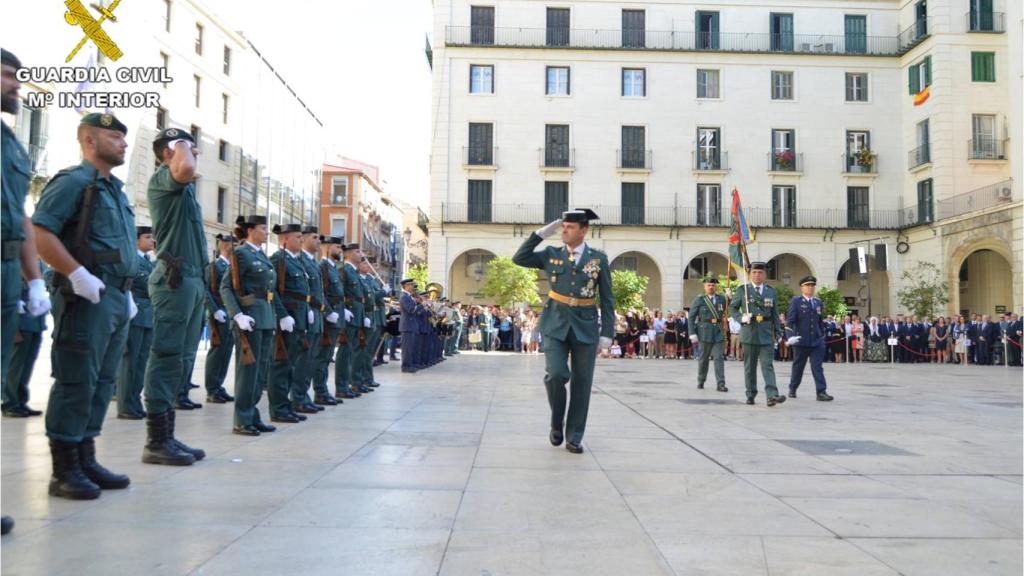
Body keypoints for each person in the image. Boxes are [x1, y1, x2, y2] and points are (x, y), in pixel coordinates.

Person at [32, 112, 136, 497]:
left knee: (103, 380)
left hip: (114, 296)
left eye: (123, 137)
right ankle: (64, 469)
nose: (123, 143)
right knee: (76, 379)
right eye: (114, 137)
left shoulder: (115, 191)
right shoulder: (74, 182)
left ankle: (85, 456)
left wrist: (125, 291)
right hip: (84, 296)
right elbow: (41, 232)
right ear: (88, 141)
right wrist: (76, 273)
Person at [512, 209, 614, 454]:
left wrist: (607, 332)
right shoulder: (551, 254)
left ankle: (574, 436)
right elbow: (519, 258)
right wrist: (540, 235)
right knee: (556, 374)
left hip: (586, 325)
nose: (564, 231)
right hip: (555, 323)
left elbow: (607, 299)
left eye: (570, 227)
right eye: (563, 227)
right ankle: (557, 421)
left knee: (582, 383)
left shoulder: (598, 259)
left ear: (583, 230)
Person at [142, 126, 208, 467]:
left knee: (181, 359)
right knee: (166, 356)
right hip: (174, 281)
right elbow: (184, 168)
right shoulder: (163, 179)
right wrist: (181, 143)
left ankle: (167, 435)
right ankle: (156, 441)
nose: (194, 153)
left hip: (191, 281)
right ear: (169, 152)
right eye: (187, 147)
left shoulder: (184, 191)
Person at [1, 47, 50, 419]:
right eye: (6, 75)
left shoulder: (11, 145)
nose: (16, 85)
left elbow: (21, 217)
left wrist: (34, 282)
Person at [219, 215, 279, 436]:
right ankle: (242, 420)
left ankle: (252, 415)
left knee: (260, 372)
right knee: (248, 371)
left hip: (266, 318)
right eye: (263, 228)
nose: (266, 232)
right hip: (250, 319)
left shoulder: (261, 255)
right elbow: (226, 287)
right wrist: (237, 315)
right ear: (251, 230)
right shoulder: (241, 254)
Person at [269, 223, 311, 422]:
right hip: (287, 319)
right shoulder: (278, 259)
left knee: (290, 365)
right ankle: (278, 409)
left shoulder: (296, 261)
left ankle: (285, 406)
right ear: (285, 239)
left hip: (299, 319)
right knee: (281, 365)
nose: (301, 241)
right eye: (297, 237)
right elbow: (272, 290)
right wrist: (282, 315)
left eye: (302, 237)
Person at [729, 262, 786, 407]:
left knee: (768, 365)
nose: (757, 275)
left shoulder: (770, 291)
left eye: (760, 273)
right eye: (754, 272)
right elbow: (732, 308)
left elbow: (774, 313)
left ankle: (772, 395)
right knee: (750, 367)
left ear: (765, 275)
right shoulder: (743, 290)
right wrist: (741, 317)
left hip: (766, 333)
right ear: (749, 274)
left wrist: (778, 331)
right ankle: (750, 394)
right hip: (749, 331)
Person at [116, 227, 155, 419]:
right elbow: (146, 284)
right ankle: (125, 405)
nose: (152, 240)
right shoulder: (132, 259)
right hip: (136, 313)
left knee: (141, 362)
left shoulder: (148, 261)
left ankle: (134, 400)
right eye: (147, 237)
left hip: (148, 314)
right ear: (136, 240)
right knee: (130, 361)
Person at [3, 261, 48, 418]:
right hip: (20, 324)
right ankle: (9, 403)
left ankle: (20, 401)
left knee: (26, 366)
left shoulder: (37, 261)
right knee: (15, 367)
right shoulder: (11, 263)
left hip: (36, 322)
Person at [784, 276, 833, 401]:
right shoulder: (796, 301)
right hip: (801, 340)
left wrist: (821, 336)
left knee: (817, 367)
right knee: (798, 367)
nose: (810, 288)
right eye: (807, 285)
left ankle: (821, 392)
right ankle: (793, 388)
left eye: (812, 285)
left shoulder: (818, 302)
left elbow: (820, 321)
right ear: (801, 287)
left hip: (816, 341)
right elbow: (790, 321)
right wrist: (790, 337)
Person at [203, 233, 236, 404]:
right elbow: (205, 290)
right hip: (219, 314)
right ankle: (212, 389)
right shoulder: (214, 267)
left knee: (226, 351)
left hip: (230, 314)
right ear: (224, 244)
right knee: (217, 352)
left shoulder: (232, 266)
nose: (236, 246)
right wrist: (215, 310)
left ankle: (219, 386)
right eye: (233, 243)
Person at [314, 236, 347, 404]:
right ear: (327, 247)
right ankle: (320, 392)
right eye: (337, 247)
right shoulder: (322, 267)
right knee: (321, 357)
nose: (340, 250)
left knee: (327, 356)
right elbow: (320, 293)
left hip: (336, 315)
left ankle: (323, 390)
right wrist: (327, 312)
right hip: (328, 319)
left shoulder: (333, 268)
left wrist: (343, 310)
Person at [337, 243, 370, 395]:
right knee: (345, 352)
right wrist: (343, 309)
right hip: (349, 314)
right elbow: (340, 292)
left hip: (357, 315)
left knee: (352, 351)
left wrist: (364, 315)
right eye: (357, 251)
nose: (360, 254)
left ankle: (352, 383)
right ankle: (342, 387)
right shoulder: (344, 270)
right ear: (348, 254)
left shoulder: (354, 272)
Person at [689, 276, 728, 392]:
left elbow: (730, 307)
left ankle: (721, 384)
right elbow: (691, 317)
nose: (711, 287)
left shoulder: (722, 299)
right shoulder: (700, 299)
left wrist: (730, 297)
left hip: (718, 332)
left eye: (713, 285)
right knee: (703, 359)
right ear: (704, 287)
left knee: (719, 358)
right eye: (709, 285)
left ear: (716, 287)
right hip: (704, 332)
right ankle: (701, 380)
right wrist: (692, 332)